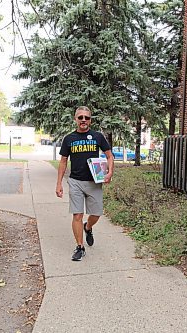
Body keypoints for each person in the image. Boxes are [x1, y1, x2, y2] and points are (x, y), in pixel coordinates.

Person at [56, 106, 114, 261]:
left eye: (86, 117)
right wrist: (59, 184)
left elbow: (109, 156)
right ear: (75, 119)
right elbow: (63, 161)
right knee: (77, 214)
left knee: (96, 214)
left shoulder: (97, 136)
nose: (83, 120)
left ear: (90, 120)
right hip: (75, 181)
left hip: (94, 181)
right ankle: (80, 247)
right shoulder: (69, 139)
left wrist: (109, 172)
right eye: (80, 117)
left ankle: (87, 227)